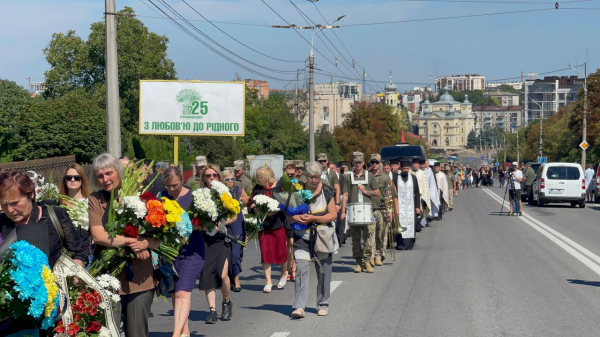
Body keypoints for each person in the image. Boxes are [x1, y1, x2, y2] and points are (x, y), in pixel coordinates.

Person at [0, 171, 88, 335]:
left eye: (15, 203)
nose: (10, 210)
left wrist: (76, 269)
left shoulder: (55, 216)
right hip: (11, 318)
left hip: (54, 312)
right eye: (4, 204)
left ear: (31, 194)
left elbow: (80, 251)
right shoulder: (1, 224)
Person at [88, 153, 158, 337]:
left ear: (118, 171)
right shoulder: (96, 199)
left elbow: (159, 238)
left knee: (136, 332)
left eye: (109, 173)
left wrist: (146, 244)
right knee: (108, 331)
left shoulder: (141, 196)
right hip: (108, 276)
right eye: (100, 176)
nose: (105, 179)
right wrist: (133, 243)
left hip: (139, 278)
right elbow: (99, 235)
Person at [289, 161, 338, 318]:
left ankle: (323, 304)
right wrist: (297, 217)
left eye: (317, 177)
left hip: (322, 237)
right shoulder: (297, 190)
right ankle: (299, 306)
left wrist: (313, 218)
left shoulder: (327, 191)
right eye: (311, 177)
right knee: (302, 269)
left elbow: (333, 214)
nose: (314, 180)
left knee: (323, 271)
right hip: (302, 237)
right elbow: (288, 215)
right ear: (306, 175)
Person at [159, 166, 202, 337]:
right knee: (174, 293)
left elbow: (208, 225)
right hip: (169, 252)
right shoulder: (162, 197)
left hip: (192, 251)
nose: (171, 189)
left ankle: (176, 334)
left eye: (175, 185)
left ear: (182, 181)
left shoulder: (194, 198)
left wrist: (192, 226)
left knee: (183, 292)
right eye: (168, 186)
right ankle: (184, 331)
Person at [198, 165, 235, 324]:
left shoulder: (226, 193)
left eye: (214, 175)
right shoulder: (199, 195)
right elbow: (194, 218)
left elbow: (234, 216)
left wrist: (222, 223)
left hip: (221, 238)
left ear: (219, 177)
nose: (211, 178)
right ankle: (212, 310)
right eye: (207, 175)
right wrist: (202, 225)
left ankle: (226, 301)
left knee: (222, 275)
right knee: (207, 274)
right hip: (205, 239)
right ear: (203, 178)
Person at [250, 166, 289, 293]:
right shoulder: (257, 188)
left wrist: (275, 210)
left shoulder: (279, 187)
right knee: (265, 252)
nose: (257, 179)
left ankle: (283, 273)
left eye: (259, 176)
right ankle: (268, 281)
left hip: (278, 224)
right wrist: (254, 208)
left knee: (281, 251)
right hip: (263, 225)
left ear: (267, 178)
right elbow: (250, 203)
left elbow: (287, 203)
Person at [341, 152, 380, 273]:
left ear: (363, 163)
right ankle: (358, 262)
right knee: (356, 239)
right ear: (352, 163)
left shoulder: (369, 176)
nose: (358, 164)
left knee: (368, 238)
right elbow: (345, 195)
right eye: (355, 162)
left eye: (360, 162)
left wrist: (366, 191)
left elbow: (377, 192)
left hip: (368, 211)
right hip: (354, 211)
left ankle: (367, 261)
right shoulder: (348, 177)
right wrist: (343, 211)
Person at [222, 170, 249, 291]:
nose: (231, 182)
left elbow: (249, 202)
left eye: (233, 179)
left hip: (238, 222)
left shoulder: (238, 190)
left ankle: (236, 280)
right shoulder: (219, 192)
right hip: (225, 222)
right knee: (227, 252)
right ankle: (230, 277)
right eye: (227, 180)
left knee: (236, 252)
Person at [369, 154, 393, 266]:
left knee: (381, 233)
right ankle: (372, 256)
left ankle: (379, 255)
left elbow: (389, 195)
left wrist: (390, 210)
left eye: (376, 162)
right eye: (372, 162)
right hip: (369, 209)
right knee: (370, 234)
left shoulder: (385, 177)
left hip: (382, 208)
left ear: (380, 163)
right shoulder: (367, 176)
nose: (374, 164)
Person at [393, 161, 421, 250]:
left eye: (407, 168)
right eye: (404, 168)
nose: (405, 170)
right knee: (400, 224)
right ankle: (400, 244)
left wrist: (417, 206)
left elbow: (417, 193)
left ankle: (409, 244)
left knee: (410, 223)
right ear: (401, 168)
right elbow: (393, 193)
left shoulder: (413, 178)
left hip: (410, 206)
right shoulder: (396, 178)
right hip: (400, 206)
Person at [282, 164, 298, 282]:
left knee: (293, 243)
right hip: (283, 216)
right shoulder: (280, 185)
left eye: (292, 174)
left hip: (295, 216)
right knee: (286, 244)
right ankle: (287, 268)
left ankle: (294, 268)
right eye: (288, 174)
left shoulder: (299, 184)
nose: (290, 176)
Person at [410, 158, 430, 229]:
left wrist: (425, 195)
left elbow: (425, 185)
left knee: (420, 210)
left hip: (420, 195)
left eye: (416, 164)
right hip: (411, 195)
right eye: (414, 164)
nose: (415, 166)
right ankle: (414, 224)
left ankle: (418, 224)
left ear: (418, 165)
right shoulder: (409, 172)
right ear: (412, 165)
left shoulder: (422, 173)